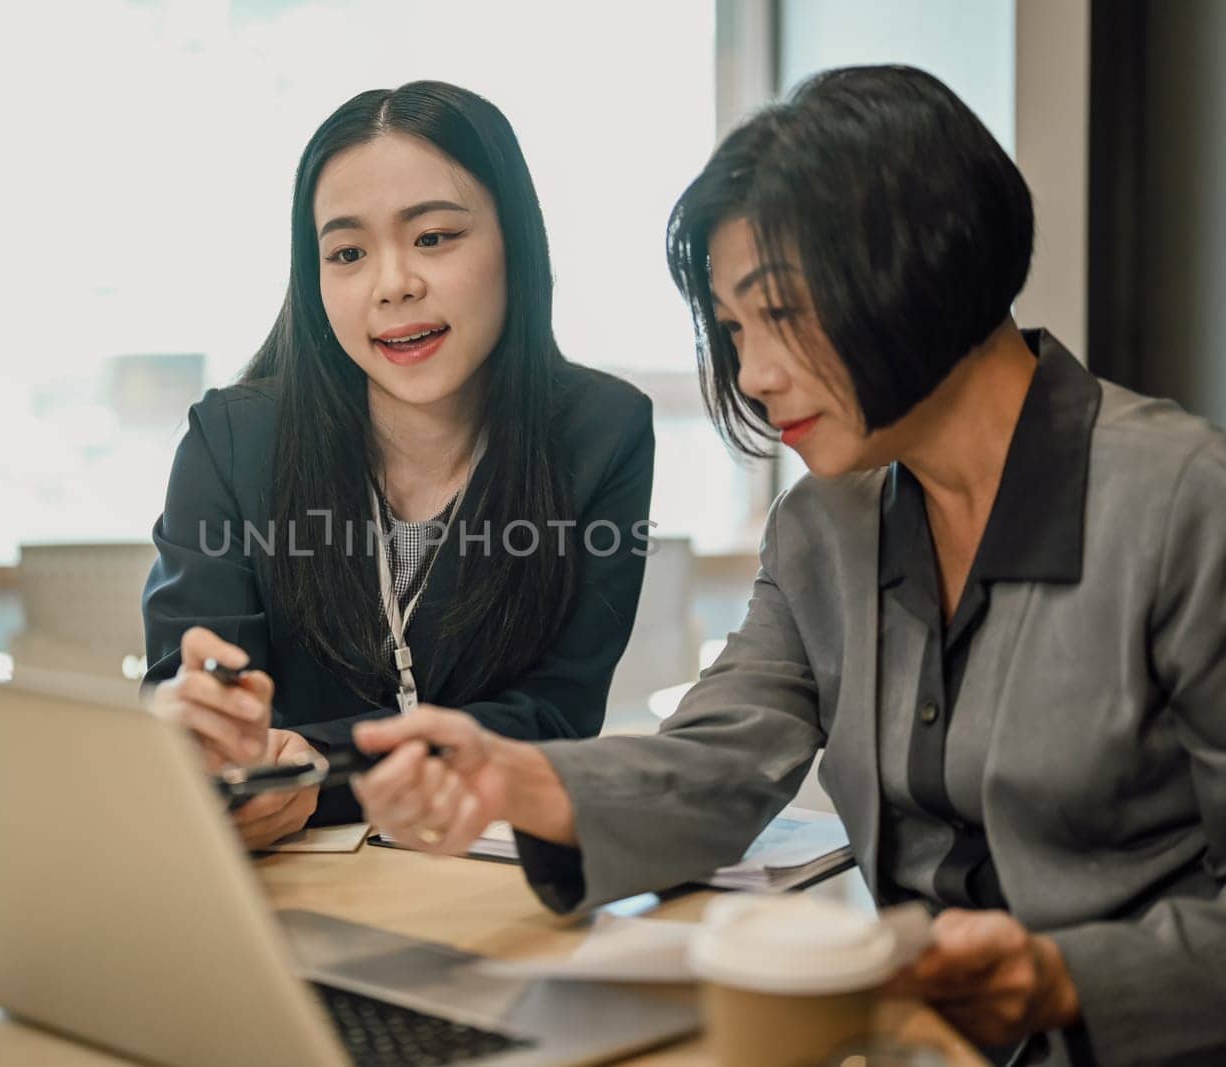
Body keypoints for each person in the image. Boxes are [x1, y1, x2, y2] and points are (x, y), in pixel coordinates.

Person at [350, 66, 1226, 1066]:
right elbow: (717, 764)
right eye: (732, 330)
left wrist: (1070, 977)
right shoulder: (823, 525)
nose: (755, 377)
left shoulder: (1182, 499)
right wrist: (513, 775)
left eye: (782, 312)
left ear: (922, 264)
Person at [142, 81, 655, 850]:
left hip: (490, 886)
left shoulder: (600, 431)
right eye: (347, 253)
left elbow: (555, 714)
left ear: (515, 239)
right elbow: (188, 689)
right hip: (282, 888)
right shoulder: (231, 440)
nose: (393, 284)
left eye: (435, 238)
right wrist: (205, 738)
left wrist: (323, 765)